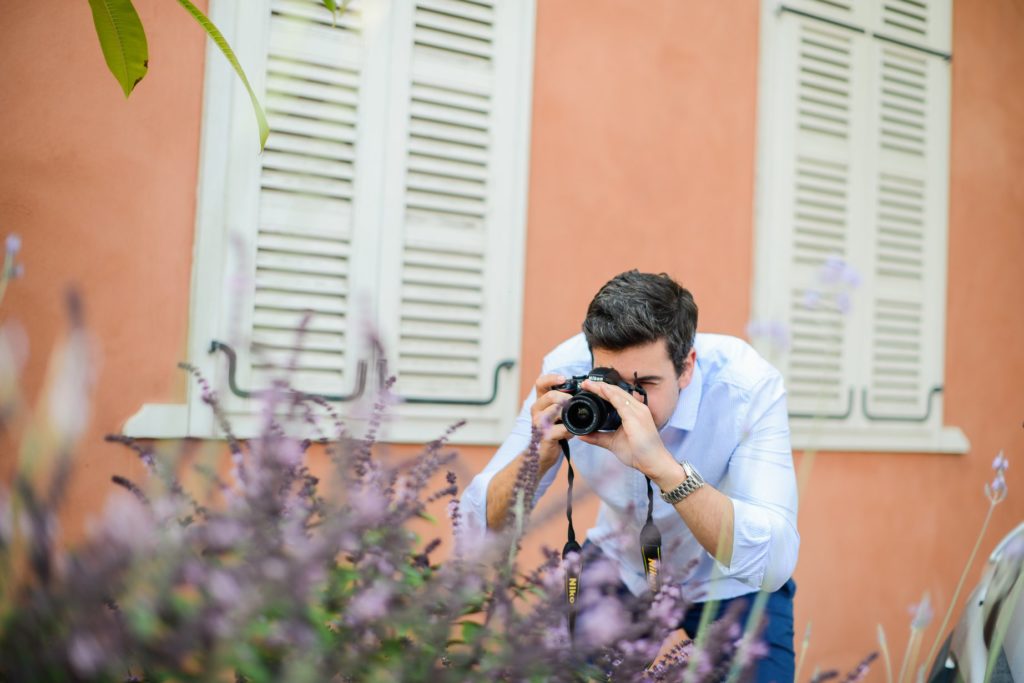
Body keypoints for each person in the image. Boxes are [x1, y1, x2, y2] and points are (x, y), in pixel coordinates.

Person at [460, 270, 799, 682]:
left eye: (646, 384)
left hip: (729, 581)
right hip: (621, 566)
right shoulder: (567, 373)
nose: (626, 402)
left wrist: (663, 468)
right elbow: (477, 529)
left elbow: (773, 562)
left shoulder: (746, 386)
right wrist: (539, 453)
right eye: (614, 381)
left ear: (687, 367)